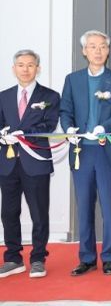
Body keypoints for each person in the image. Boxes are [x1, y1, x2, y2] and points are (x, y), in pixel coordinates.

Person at [60, 30, 111, 276]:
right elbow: (65, 110)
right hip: (82, 151)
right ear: (84, 51)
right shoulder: (73, 80)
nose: (98, 51)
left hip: (107, 151)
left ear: (108, 50)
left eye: (102, 46)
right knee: (84, 207)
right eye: (92, 46)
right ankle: (87, 258)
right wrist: (68, 128)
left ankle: (110, 257)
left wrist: (105, 127)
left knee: (110, 207)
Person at [0, 50, 60, 278]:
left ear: (38, 68)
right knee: (8, 212)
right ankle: (13, 258)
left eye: (30, 65)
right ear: (14, 68)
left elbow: (49, 126)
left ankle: (38, 259)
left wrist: (23, 133)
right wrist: (3, 135)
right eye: (21, 65)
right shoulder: (3, 96)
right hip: (7, 163)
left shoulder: (50, 96)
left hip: (35, 163)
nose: (25, 69)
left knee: (39, 213)